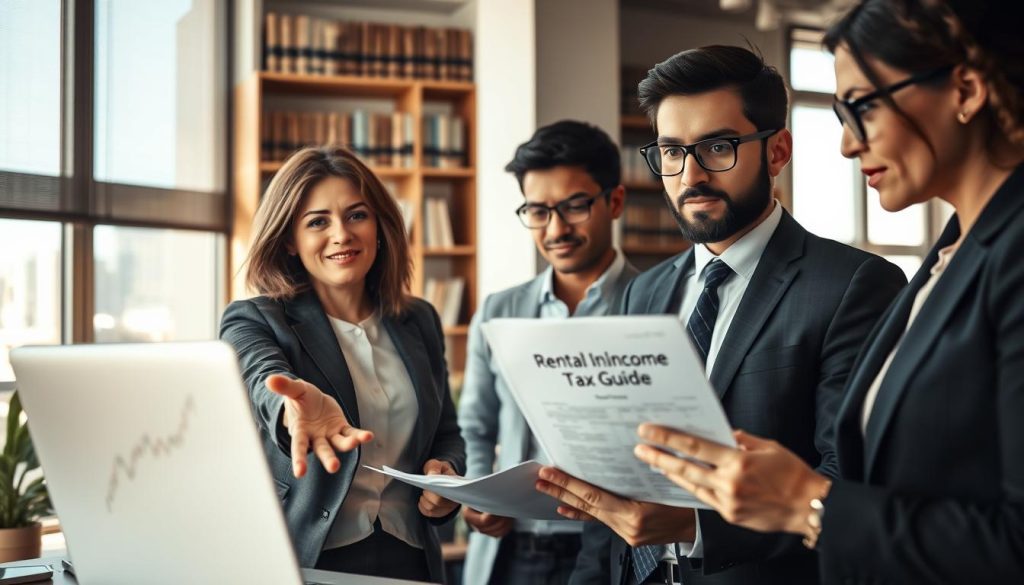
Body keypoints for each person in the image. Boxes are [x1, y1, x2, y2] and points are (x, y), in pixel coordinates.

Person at [632, 1, 1024, 584]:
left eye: (863, 106)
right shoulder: (948, 258)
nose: (845, 144)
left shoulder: (982, 259)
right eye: (840, 112)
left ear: (965, 91)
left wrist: (808, 505)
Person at [535, 46, 907, 584]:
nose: (690, 176)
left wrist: (695, 527)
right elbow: (617, 479)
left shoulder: (854, 285)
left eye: (717, 146)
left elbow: (846, 477)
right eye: (670, 152)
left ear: (777, 152)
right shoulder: (644, 293)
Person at [220, 146, 465, 583]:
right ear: (290, 241)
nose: (342, 234)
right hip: (306, 558)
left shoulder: (420, 319)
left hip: (411, 559)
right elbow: (261, 379)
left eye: (356, 215)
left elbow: (446, 431)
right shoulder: (254, 319)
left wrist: (445, 476)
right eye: (318, 222)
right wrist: (291, 411)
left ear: (380, 227)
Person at [458, 120, 640, 585]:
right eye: (538, 211)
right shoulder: (499, 311)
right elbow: (476, 427)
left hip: (616, 548)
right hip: (514, 551)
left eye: (574, 206)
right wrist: (481, 499)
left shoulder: (655, 304)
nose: (555, 229)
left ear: (614, 201)